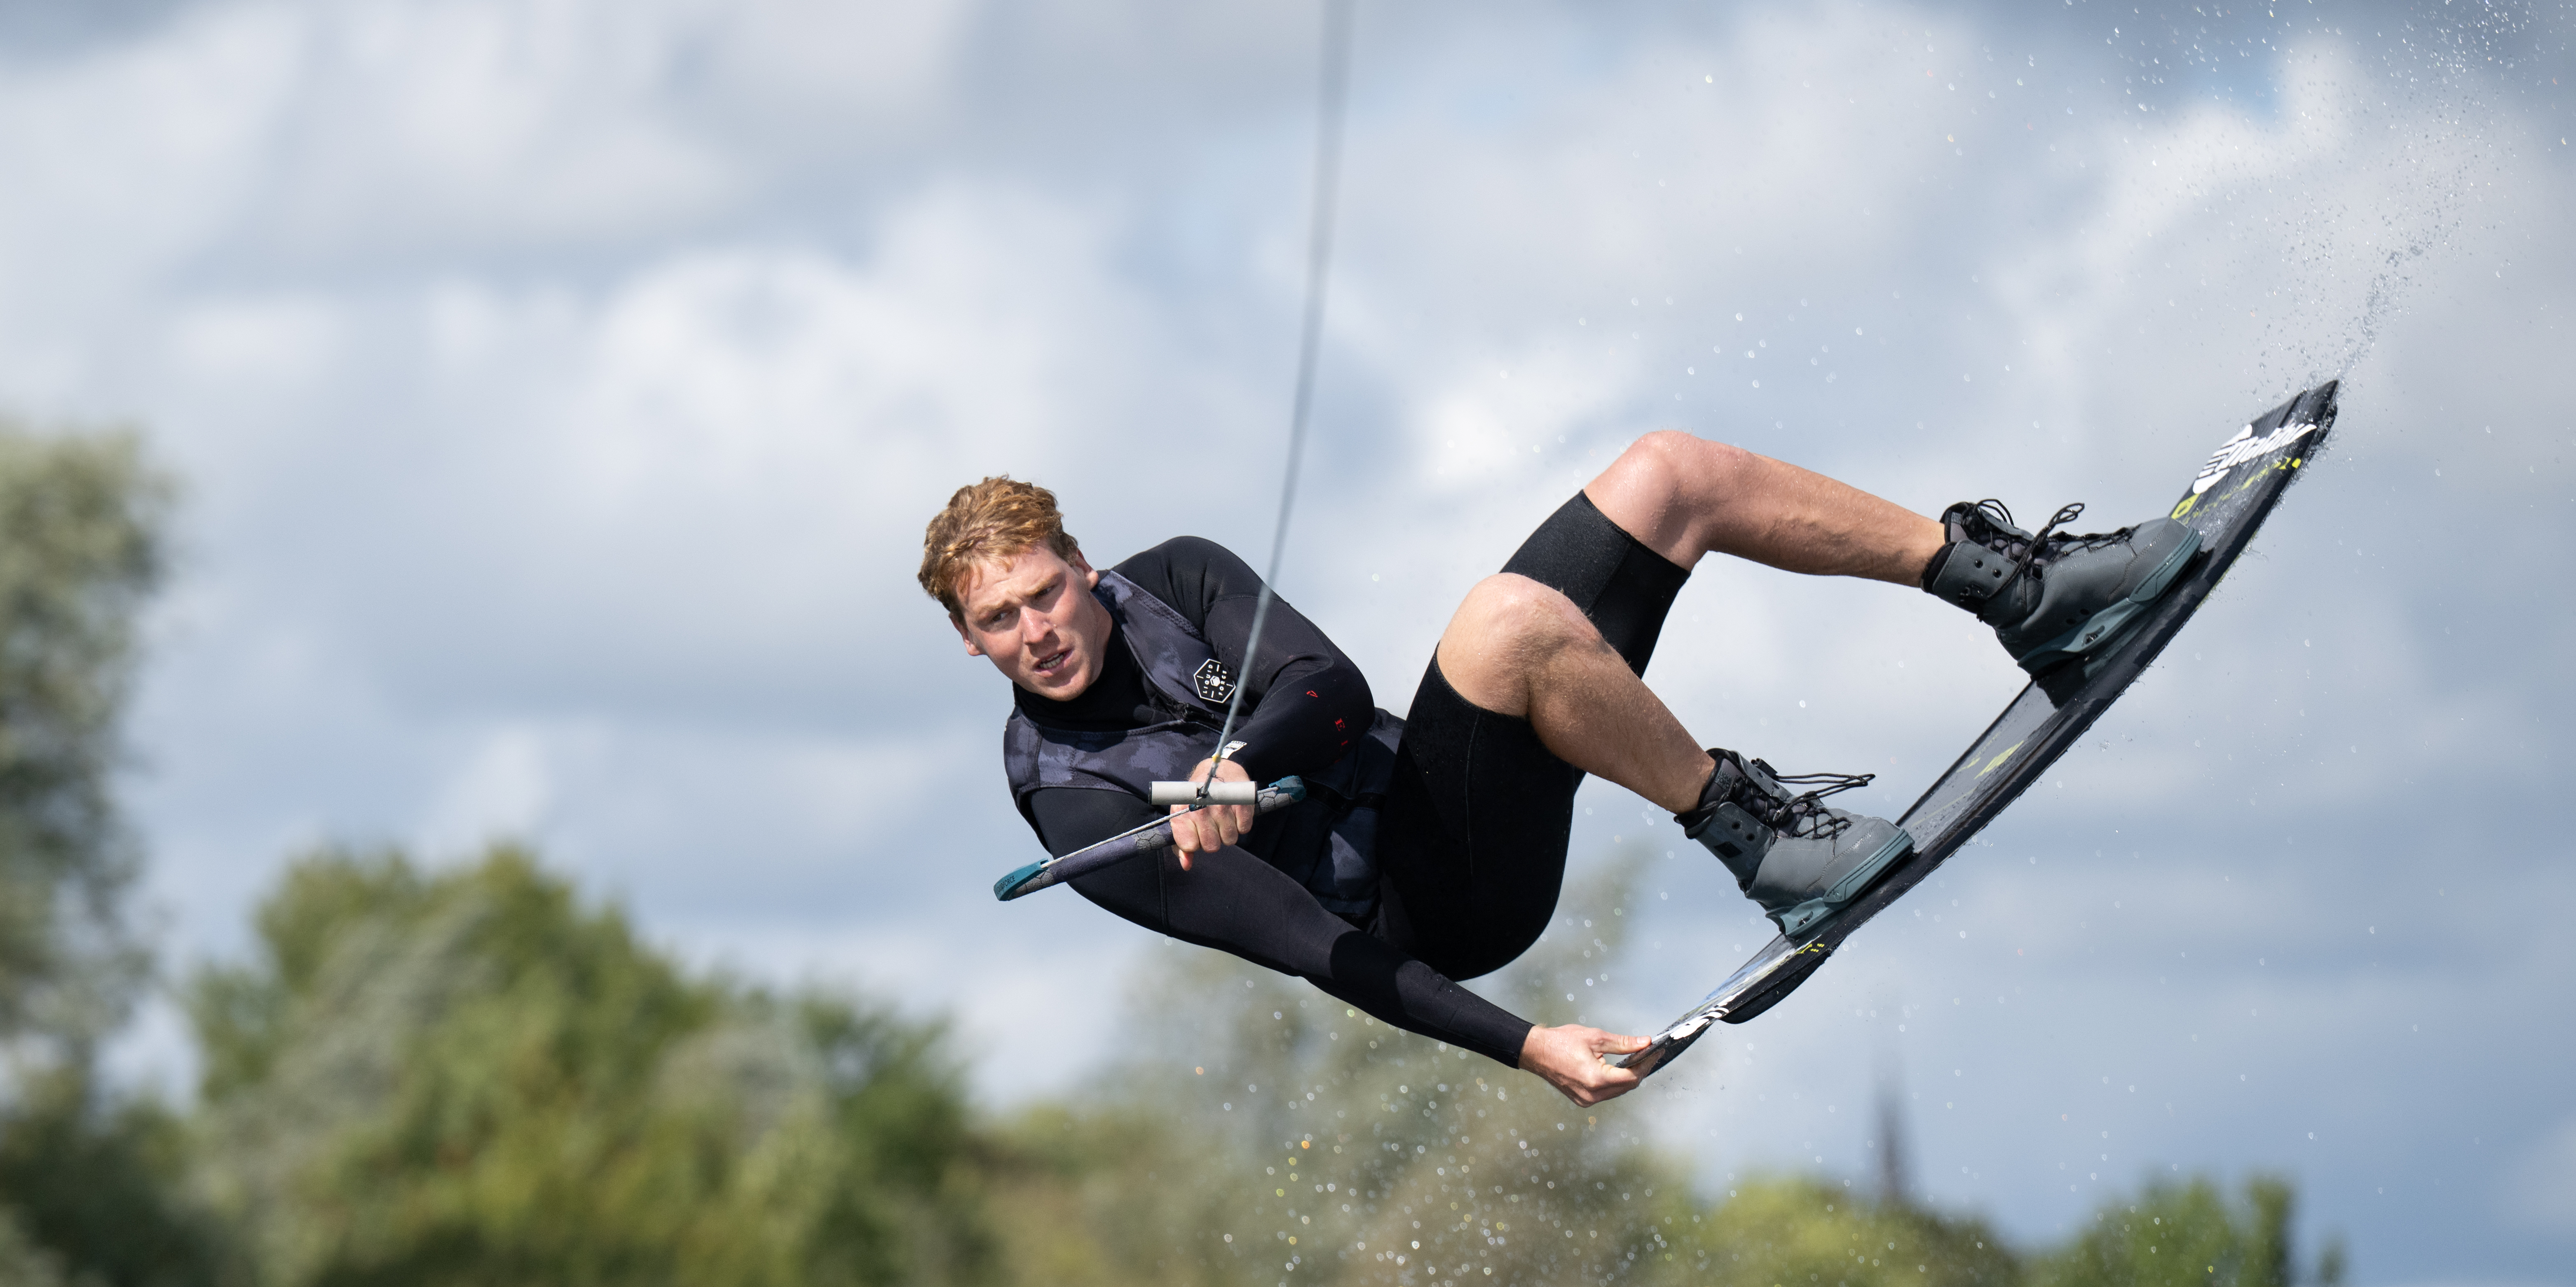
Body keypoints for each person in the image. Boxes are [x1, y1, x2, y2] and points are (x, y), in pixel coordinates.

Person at [916, 434, 2193, 1107]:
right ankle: (1758, 842)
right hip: (1440, 905)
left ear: (1082, 567)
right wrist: (1526, 1048)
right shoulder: (1072, 799)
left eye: (1042, 595)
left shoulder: (1181, 575)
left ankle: (2012, 588)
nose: (1037, 634)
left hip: (1440, 777)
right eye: (998, 623)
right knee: (1502, 623)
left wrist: (1242, 766)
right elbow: (1322, 956)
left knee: (1668, 473)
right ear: (967, 643)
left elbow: (1332, 693)